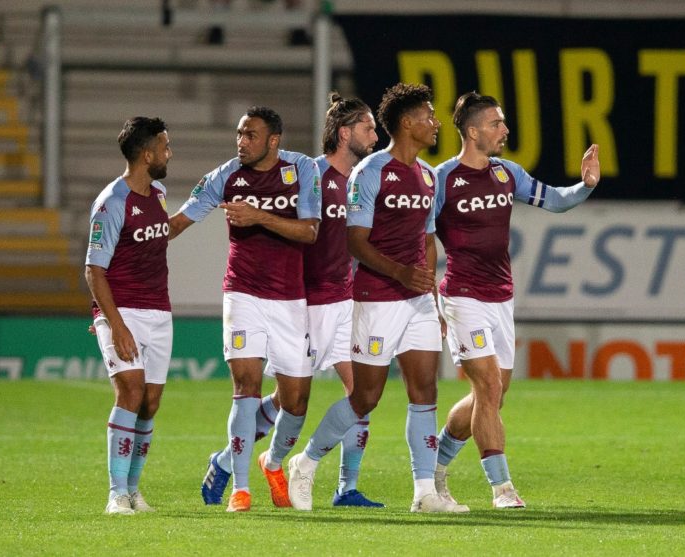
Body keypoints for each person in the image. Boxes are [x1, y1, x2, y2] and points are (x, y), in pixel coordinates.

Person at [283, 82, 467, 513]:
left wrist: (434, 299)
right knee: (366, 397)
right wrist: (401, 272)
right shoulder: (371, 173)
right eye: (428, 115)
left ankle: (423, 493)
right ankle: (305, 463)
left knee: (425, 391)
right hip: (375, 298)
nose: (436, 122)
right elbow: (355, 243)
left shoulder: (427, 175)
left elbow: (427, 241)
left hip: (417, 303)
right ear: (407, 123)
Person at [200, 92, 384, 511]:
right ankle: (234, 460)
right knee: (288, 399)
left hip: (344, 299)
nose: (375, 135)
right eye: (368, 127)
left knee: (363, 393)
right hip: (308, 302)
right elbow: (298, 234)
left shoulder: (359, 179)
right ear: (344, 132)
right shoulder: (308, 173)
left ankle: (345, 485)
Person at [432, 92, 600, 509]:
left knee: (491, 396)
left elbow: (556, 200)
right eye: (496, 123)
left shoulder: (507, 174)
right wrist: (424, 299)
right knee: (488, 387)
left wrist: (587, 185)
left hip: (501, 298)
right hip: (461, 296)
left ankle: (434, 471)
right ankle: (502, 489)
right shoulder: (441, 179)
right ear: (472, 131)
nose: (505, 130)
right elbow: (415, 236)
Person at [169, 106, 321, 513]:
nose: (241, 141)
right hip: (243, 293)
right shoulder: (225, 176)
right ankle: (241, 489)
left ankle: (239, 460)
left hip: (290, 300)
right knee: (245, 390)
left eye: (250, 135)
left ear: (274, 141)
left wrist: (259, 217)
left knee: (295, 401)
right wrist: (137, 240)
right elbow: (180, 221)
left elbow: (310, 231)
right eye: (239, 133)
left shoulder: (301, 170)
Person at [86, 117, 173, 515]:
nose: (169, 153)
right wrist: (114, 324)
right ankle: (115, 493)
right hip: (124, 313)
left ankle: (134, 491)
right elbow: (93, 270)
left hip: (159, 312)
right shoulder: (111, 202)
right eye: (165, 147)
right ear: (147, 154)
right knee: (131, 392)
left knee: (150, 403)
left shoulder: (159, 193)